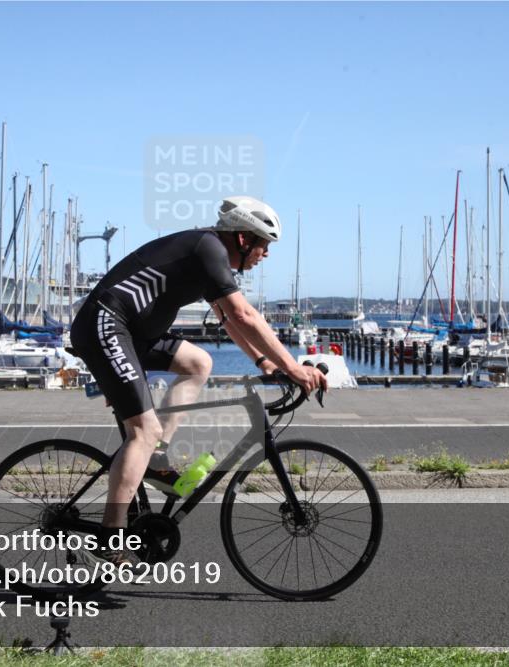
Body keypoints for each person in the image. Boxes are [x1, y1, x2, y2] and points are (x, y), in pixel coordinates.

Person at [69, 195, 328, 565]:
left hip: (133, 334)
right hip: (106, 326)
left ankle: (158, 461)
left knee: (198, 363)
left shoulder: (208, 255)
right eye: (264, 245)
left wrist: (263, 361)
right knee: (142, 431)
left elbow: (226, 317)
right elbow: (243, 314)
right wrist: (292, 367)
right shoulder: (208, 249)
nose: (265, 254)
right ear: (243, 239)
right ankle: (112, 536)